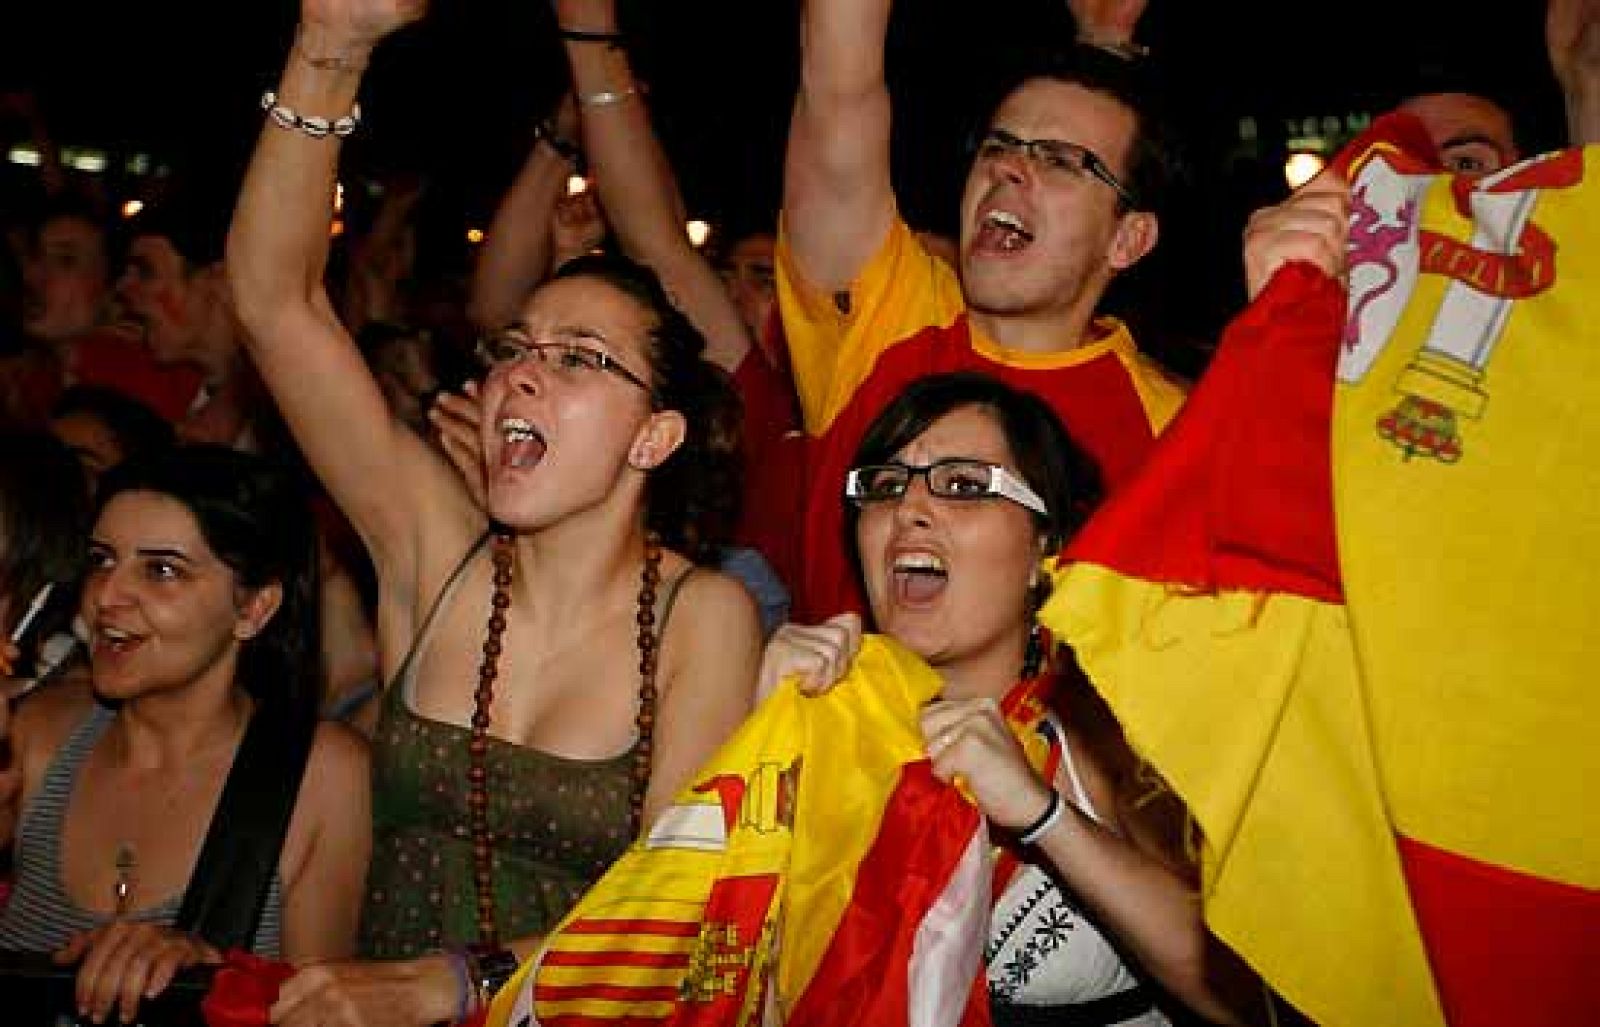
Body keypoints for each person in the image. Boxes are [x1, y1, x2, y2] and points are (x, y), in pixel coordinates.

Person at [226, 1, 763, 1022]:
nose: (521, 376)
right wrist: (325, 51)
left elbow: (665, 913)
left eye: (576, 361)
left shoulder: (702, 617)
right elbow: (272, 302)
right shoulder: (433, 549)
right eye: (516, 348)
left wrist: (448, 983)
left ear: (654, 436)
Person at [756, 372, 1257, 1023]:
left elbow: (1246, 996)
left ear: (1041, 549)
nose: (908, 508)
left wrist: (1042, 814)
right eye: (884, 486)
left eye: (964, 486)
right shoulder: (826, 719)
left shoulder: (1103, 729)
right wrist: (765, 770)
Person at [777, 0, 1189, 621]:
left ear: (1129, 239)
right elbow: (838, 83)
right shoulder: (889, 320)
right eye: (999, 145)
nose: (1008, 168)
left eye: (1060, 160)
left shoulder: (1176, 437)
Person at [0, 446, 370, 1026]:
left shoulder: (319, 775)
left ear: (253, 608)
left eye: (161, 570)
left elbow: (322, 1011)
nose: (106, 598)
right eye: (101, 561)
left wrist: (214, 973)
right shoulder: (40, 733)